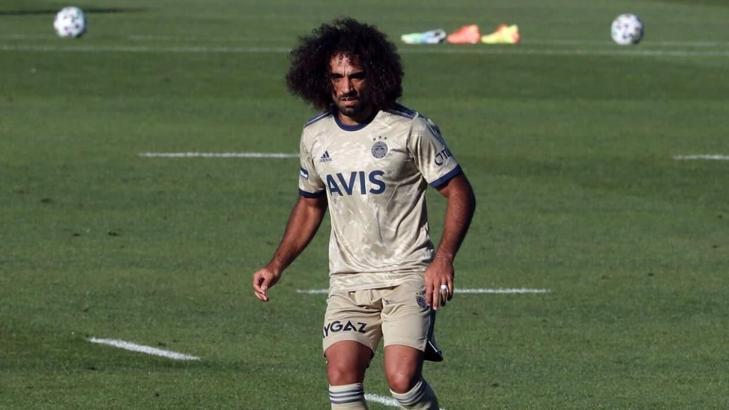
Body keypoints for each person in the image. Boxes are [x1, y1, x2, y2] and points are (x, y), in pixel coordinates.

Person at [251, 18, 476, 410]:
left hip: (407, 274)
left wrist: (443, 259)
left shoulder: (409, 129)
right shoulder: (315, 135)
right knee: (341, 374)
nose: (347, 87)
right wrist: (277, 263)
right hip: (348, 280)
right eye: (337, 77)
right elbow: (310, 203)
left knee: (402, 381)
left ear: (376, 75)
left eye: (356, 76)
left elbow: (459, 192)